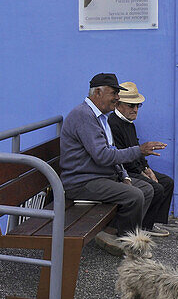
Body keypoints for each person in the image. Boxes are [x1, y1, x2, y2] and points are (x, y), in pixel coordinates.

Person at [59, 73, 167, 254]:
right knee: (134, 195)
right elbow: (103, 155)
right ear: (98, 92)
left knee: (147, 190)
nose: (117, 97)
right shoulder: (83, 116)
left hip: (99, 176)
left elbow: (110, 150)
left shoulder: (100, 117)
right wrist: (139, 150)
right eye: (114, 93)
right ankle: (129, 247)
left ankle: (114, 233)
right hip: (81, 182)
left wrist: (124, 175)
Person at [109, 81, 174, 237]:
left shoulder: (128, 122)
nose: (136, 109)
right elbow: (122, 156)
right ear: (118, 104)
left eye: (138, 105)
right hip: (123, 172)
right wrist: (142, 171)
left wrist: (147, 168)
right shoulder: (113, 123)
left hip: (135, 168)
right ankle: (143, 226)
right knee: (155, 188)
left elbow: (137, 148)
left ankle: (150, 223)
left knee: (167, 182)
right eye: (131, 105)